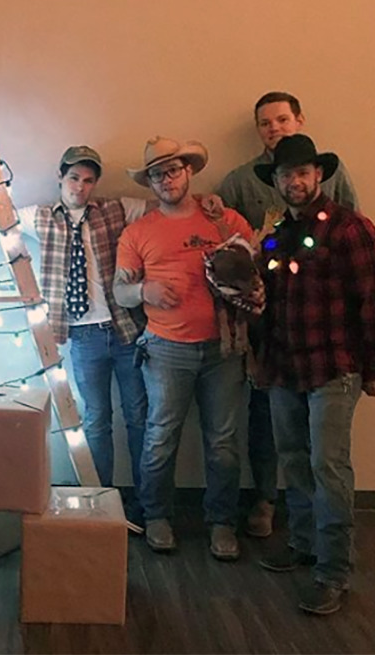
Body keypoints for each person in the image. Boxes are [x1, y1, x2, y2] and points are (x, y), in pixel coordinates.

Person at [252, 134, 375, 615]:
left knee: (328, 467)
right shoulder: (274, 236)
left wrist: (372, 369)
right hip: (284, 367)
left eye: (304, 171)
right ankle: (305, 545)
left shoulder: (351, 229)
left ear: (319, 175)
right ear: (277, 181)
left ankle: (334, 570)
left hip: (334, 368)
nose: (296, 180)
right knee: (293, 458)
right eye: (287, 173)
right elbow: (266, 302)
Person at [217, 91, 361, 538]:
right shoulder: (241, 181)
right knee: (270, 424)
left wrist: (370, 360)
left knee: (325, 453)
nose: (274, 128)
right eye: (265, 123)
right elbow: (226, 244)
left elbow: (357, 250)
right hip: (269, 328)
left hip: (326, 333)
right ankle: (267, 502)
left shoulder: (338, 194)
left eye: (281, 119)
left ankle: (329, 549)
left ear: (299, 119)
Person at [114, 136, 254, 560]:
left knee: (224, 442)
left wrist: (232, 241)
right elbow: (119, 291)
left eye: (173, 170)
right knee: (160, 438)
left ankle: (222, 523)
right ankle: (156, 516)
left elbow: (256, 261)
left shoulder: (223, 218)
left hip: (224, 349)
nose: (167, 179)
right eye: (157, 174)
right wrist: (144, 289)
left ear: (189, 171)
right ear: (150, 183)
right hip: (165, 349)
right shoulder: (139, 231)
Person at [6, 146, 150, 526]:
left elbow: (163, 206)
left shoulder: (116, 210)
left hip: (124, 329)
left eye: (88, 180)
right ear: (60, 176)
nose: (81, 187)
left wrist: (209, 200)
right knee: (96, 418)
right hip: (83, 335)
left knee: (138, 415)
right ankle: (98, 498)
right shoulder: (40, 217)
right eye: (74, 178)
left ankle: (146, 504)